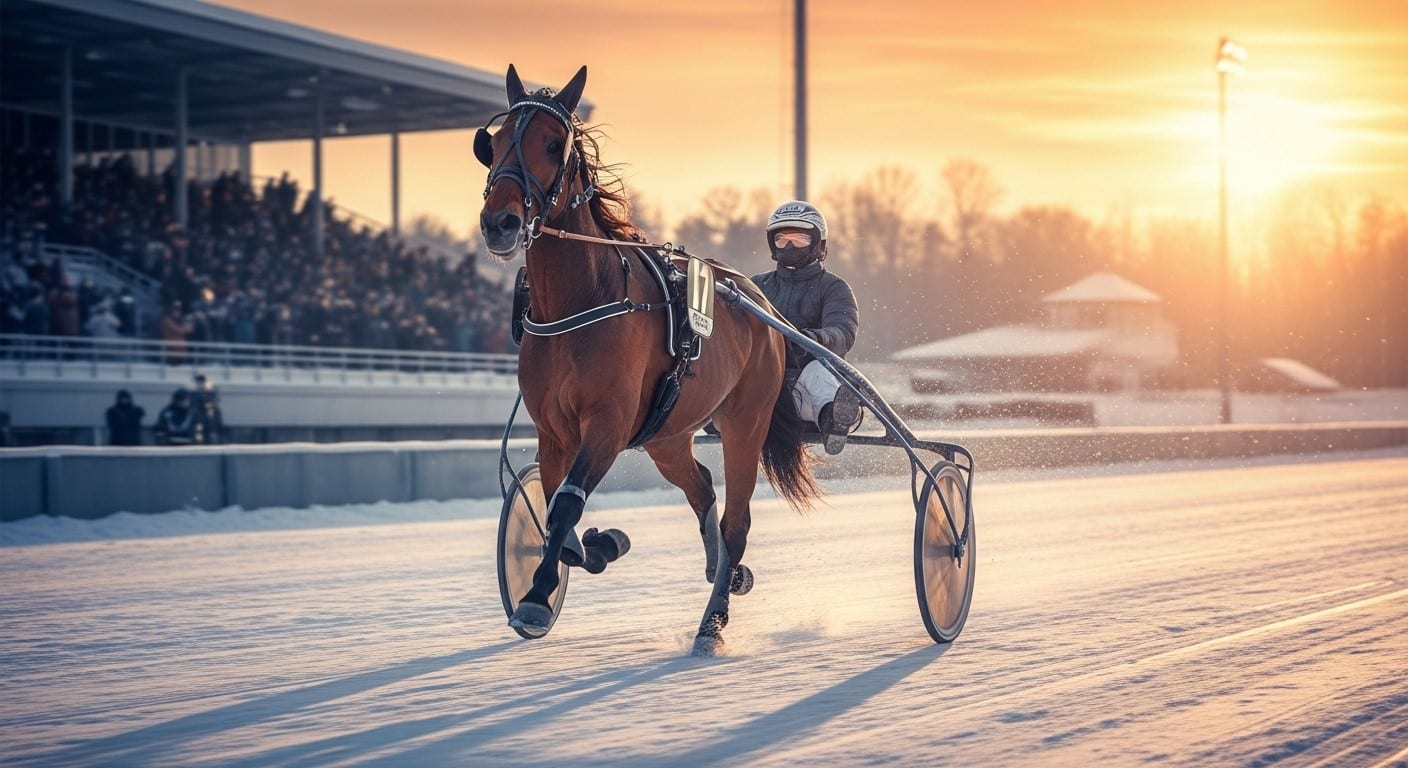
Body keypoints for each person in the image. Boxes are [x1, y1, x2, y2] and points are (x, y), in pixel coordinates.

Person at [751, 200, 862, 455]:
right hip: (765, 384)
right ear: (772, 244)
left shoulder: (834, 288)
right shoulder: (757, 287)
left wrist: (809, 340)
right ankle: (717, 412)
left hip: (805, 388)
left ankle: (833, 420)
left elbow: (843, 333)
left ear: (818, 244)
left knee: (816, 371)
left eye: (799, 239)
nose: (789, 246)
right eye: (781, 240)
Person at [190, 373, 225, 444]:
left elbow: (214, 401)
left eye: (201, 382)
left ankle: (213, 440)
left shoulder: (210, 392)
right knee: (199, 430)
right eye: (198, 382)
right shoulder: (194, 393)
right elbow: (192, 404)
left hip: (208, 415)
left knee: (212, 429)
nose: (200, 384)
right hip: (199, 415)